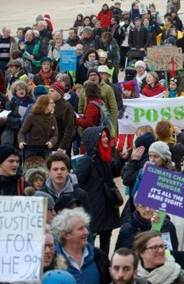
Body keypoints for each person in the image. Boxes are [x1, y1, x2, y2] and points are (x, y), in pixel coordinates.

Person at [75, 126, 122, 255]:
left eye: (106, 136)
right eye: (103, 137)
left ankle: (104, 267)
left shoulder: (105, 157)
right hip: (94, 208)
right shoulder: (86, 161)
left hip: (107, 207)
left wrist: (122, 160)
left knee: (106, 244)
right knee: (90, 242)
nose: (107, 139)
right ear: (94, 140)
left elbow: (114, 172)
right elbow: (76, 183)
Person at [52, 208, 111, 284]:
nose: (86, 232)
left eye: (85, 227)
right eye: (80, 229)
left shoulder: (99, 257)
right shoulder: (52, 261)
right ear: (66, 234)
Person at [18, 95, 58, 160]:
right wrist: (21, 142)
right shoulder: (31, 116)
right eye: (52, 103)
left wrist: (51, 142)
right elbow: (22, 132)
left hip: (46, 150)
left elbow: (55, 135)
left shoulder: (52, 118)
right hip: (32, 150)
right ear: (44, 104)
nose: (54, 105)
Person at [48, 82, 76, 154]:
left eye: (52, 91)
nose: (49, 93)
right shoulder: (47, 105)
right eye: (49, 91)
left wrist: (62, 146)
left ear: (59, 93)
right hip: (47, 145)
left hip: (59, 146)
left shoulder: (66, 107)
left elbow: (69, 129)